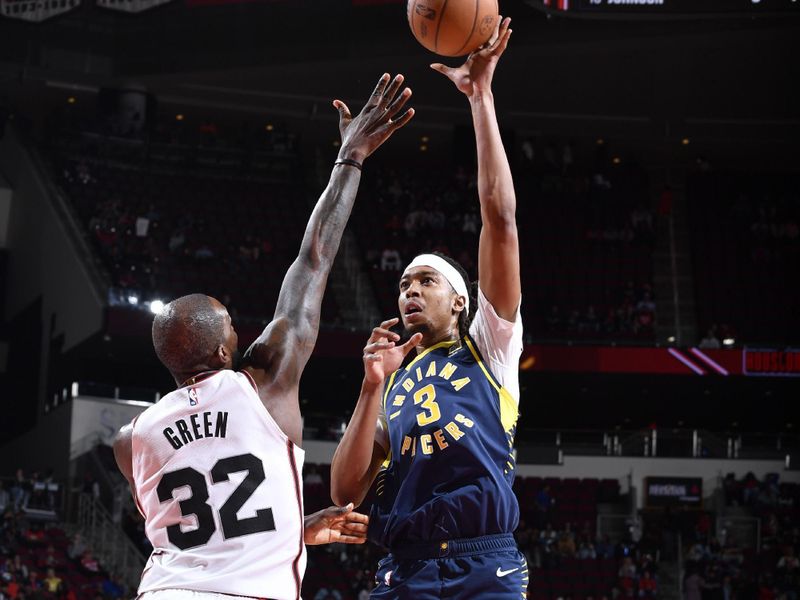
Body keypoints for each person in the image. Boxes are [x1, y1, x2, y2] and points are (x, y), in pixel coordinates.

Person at [112, 72, 415, 600]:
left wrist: (293, 532)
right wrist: (351, 157)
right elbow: (313, 262)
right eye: (232, 325)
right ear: (225, 350)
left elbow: (202, 537)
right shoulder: (264, 385)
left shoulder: (130, 439)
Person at [331, 18, 526, 599]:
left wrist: (481, 97)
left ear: (460, 299)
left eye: (425, 282)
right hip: (406, 564)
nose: (409, 291)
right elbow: (346, 492)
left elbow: (500, 217)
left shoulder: (489, 345)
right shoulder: (393, 380)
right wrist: (370, 389)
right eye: (402, 284)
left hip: (484, 561)